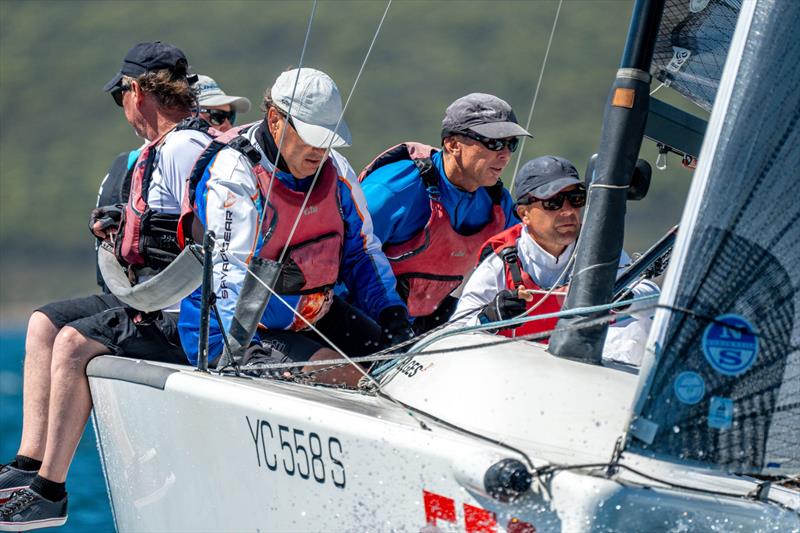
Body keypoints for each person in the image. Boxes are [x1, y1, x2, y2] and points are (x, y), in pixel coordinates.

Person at [0, 42, 211, 531]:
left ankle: (50, 493)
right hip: (146, 295)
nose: (124, 108)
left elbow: (207, 238)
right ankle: (29, 466)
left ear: (137, 92)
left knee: (73, 345)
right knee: (44, 324)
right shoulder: (155, 153)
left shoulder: (186, 149)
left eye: (122, 96)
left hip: (180, 311)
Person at [178, 67, 413, 384]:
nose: (320, 150)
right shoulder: (235, 173)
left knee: (403, 364)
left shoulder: (336, 172)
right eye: (310, 137)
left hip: (314, 315)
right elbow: (228, 272)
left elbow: (362, 253)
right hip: (240, 331)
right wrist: (241, 352)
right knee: (352, 377)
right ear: (275, 119)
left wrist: (392, 314)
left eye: (327, 139)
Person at [452, 155, 659, 361]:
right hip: (516, 375)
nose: (568, 211)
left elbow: (653, 297)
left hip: (583, 375)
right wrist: (488, 318)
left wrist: (626, 297)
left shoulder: (598, 251)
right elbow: (453, 333)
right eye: (554, 202)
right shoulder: (500, 264)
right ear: (524, 213)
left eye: (576, 198)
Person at [358, 93, 530, 333]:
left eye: (511, 144)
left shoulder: (498, 205)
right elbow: (341, 260)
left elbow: (530, 259)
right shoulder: (394, 190)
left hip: (425, 322)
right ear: (452, 145)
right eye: (494, 143)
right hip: (359, 317)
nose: (505, 154)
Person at [93, 73, 250, 291]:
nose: (225, 125)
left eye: (230, 116)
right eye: (215, 115)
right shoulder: (173, 157)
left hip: (134, 290)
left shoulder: (131, 161)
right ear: (190, 113)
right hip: (152, 295)